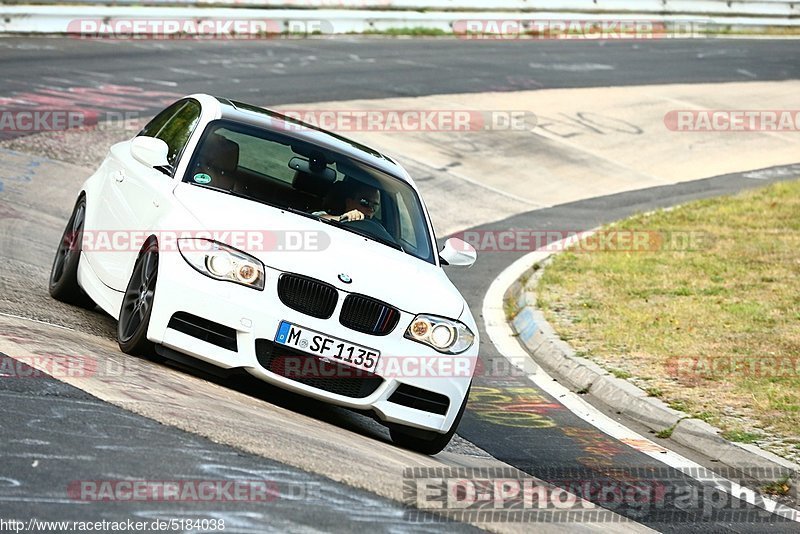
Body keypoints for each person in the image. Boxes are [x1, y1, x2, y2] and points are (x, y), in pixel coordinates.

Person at [315, 182, 380, 222]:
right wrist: (343, 218)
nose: (371, 209)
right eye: (365, 202)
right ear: (349, 202)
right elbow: (318, 217)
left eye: (375, 206)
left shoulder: (377, 229)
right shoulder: (326, 215)